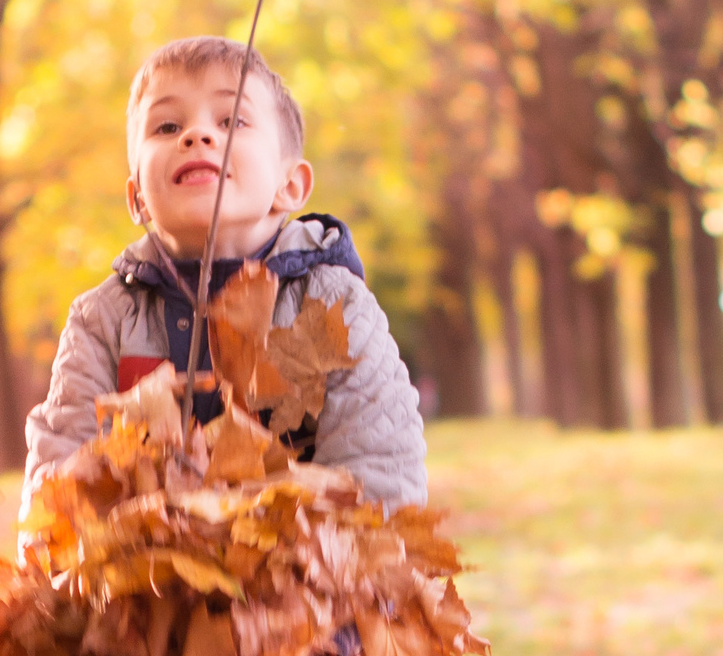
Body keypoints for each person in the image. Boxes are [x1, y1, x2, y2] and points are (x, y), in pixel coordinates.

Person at [23, 37, 427, 510]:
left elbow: (380, 477)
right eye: (167, 126)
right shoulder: (102, 321)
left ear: (290, 185)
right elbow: (54, 494)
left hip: (302, 572)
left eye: (231, 120)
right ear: (137, 199)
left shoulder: (336, 307)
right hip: (145, 576)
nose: (196, 135)